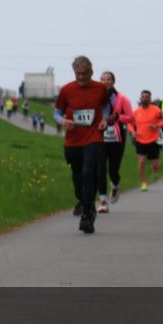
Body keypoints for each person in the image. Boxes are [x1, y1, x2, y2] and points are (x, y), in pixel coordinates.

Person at [54, 56, 109, 233]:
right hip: (73, 140)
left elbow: (106, 107)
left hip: (93, 137)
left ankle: (86, 215)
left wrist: (105, 119)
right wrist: (63, 121)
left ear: (91, 72)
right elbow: (57, 113)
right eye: (78, 74)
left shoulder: (100, 88)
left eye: (84, 74)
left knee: (88, 173)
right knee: (78, 178)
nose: (81, 77)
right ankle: (86, 203)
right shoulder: (67, 90)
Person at [96, 71, 134, 212]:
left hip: (117, 136)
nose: (105, 82)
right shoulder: (95, 97)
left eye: (108, 79)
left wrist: (117, 117)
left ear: (113, 81)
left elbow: (130, 117)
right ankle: (103, 201)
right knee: (100, 168)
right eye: (102, 79)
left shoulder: (122, 98)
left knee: (113, 169)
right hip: (100, 135)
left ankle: (115, 185)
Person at [130, 90, 163, 191]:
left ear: (150, 99)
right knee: (141, 162)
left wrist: (156, 125)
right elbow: (130, 124)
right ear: (141, 98)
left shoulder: (156, 110)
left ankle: (154, 172)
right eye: (143, 97)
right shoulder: (136, 112)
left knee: (156, 165)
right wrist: (133, 132)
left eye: (147, 97)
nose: (145, 99)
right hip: (140, 140)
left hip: (153, 140)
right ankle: (143, 183)